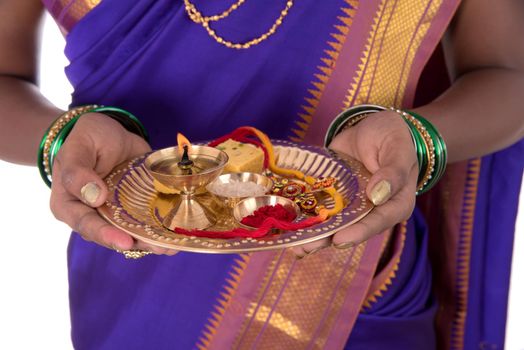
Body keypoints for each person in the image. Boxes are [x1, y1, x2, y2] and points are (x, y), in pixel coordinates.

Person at [1, 0, 523, 348]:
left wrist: (416, 137)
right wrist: (60, 140)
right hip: (137, 276)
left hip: (354, 277)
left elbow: (506, 75)